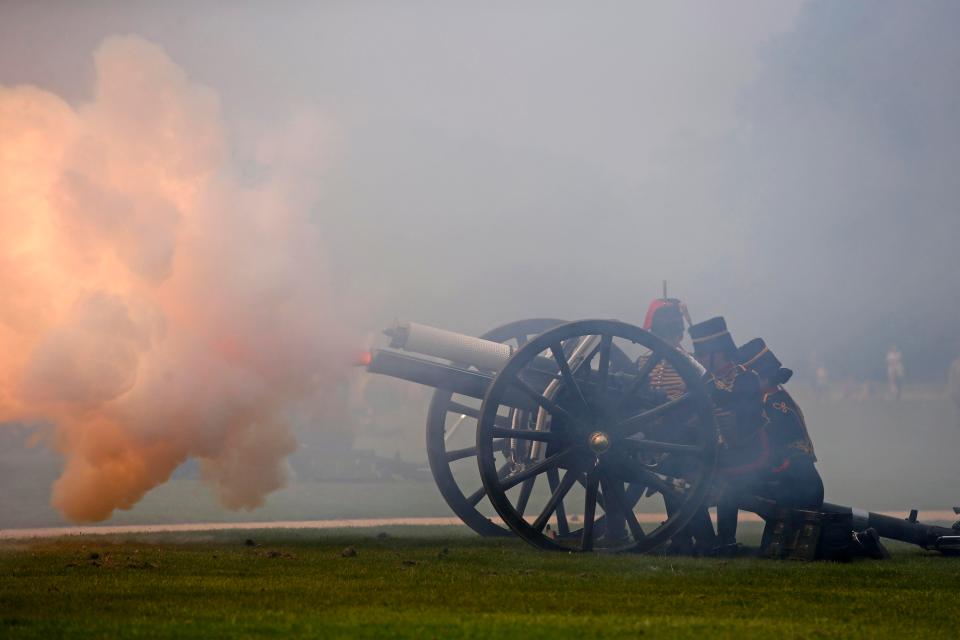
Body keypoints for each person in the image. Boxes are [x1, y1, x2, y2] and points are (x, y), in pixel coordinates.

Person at [688, 317, 765, 555]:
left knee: (728, 484)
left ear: (717, 353)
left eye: (702, 355)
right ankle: (705, 539)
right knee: (684, 477)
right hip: (712, 452)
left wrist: (718, 399)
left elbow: (748, 417)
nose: (700, 360)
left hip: (745, 451)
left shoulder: (747, 378)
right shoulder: (703, 382)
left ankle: (726, 540)